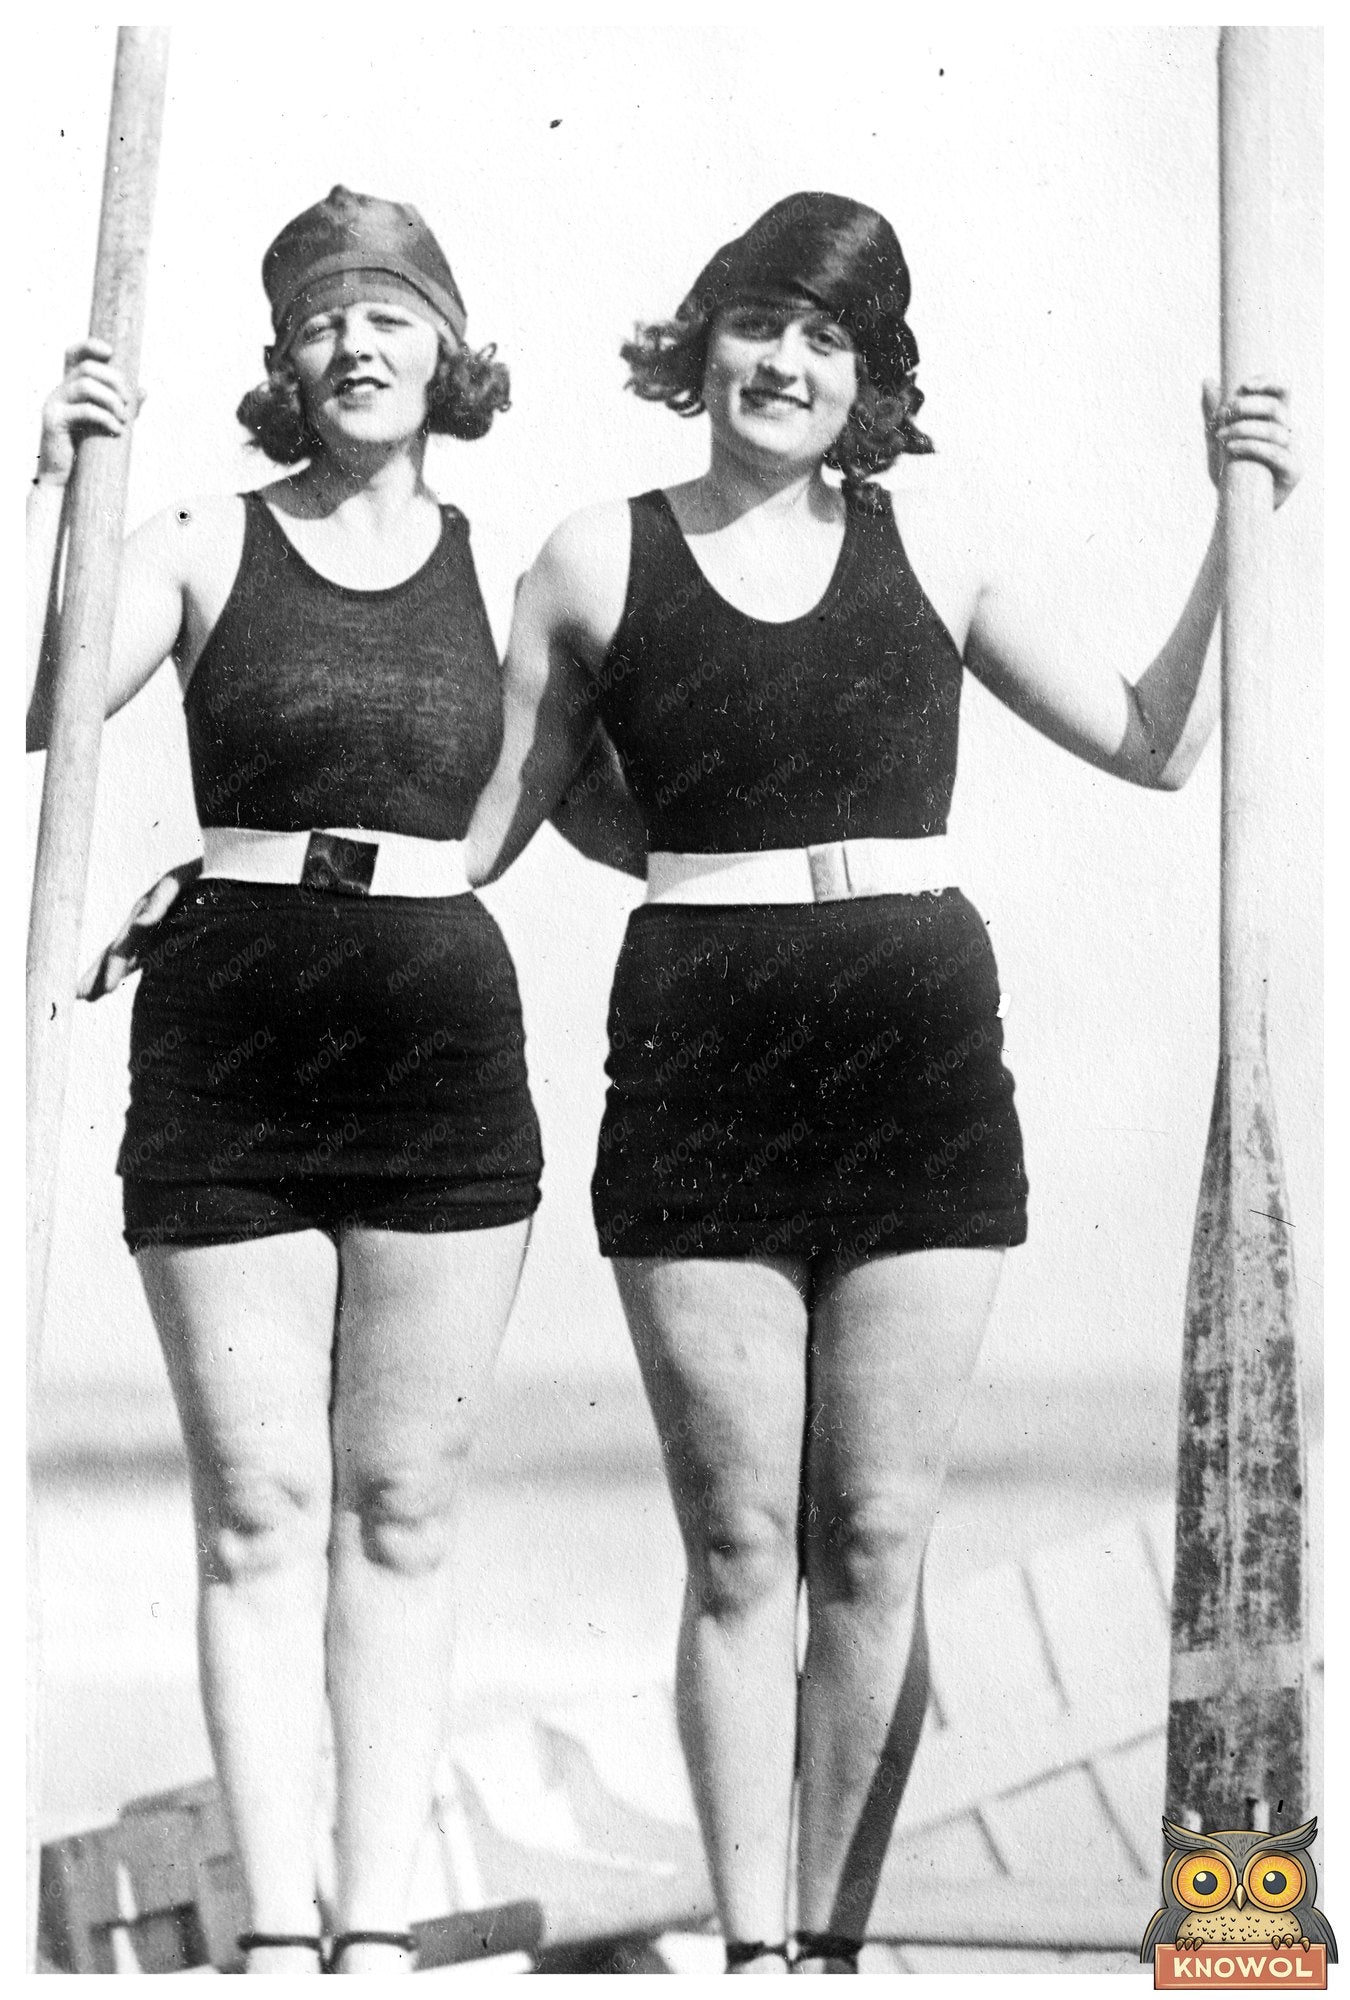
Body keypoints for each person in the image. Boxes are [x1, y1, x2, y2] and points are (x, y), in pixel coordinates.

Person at [463, 191, 1300, 1971]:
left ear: (872, 377)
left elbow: (1152, 746)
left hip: (916, 1041)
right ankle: (755, 1950)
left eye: (829, 338)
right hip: (696, 1044)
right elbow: (484, 834)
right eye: (761, 321)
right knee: (739, 1538)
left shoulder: (944, 550)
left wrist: (1241, 523)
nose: (784, 361)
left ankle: (834, 1952)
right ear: (704, 338)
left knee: (871, 1530)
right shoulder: (586, 557)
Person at [27, 186, 542, 1974]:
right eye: (323, 319)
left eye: (391, 312)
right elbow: (43, 713)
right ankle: (274, 1930)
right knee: (258, 1511)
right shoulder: (188, 541)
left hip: (441, 1047)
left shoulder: (518, 572)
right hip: (230, 1042)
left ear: (447, 347)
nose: (355, 343)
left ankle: (377, 1929)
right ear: (282, 361)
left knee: (403, 1508)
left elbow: (621, 794)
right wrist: (65, 492)